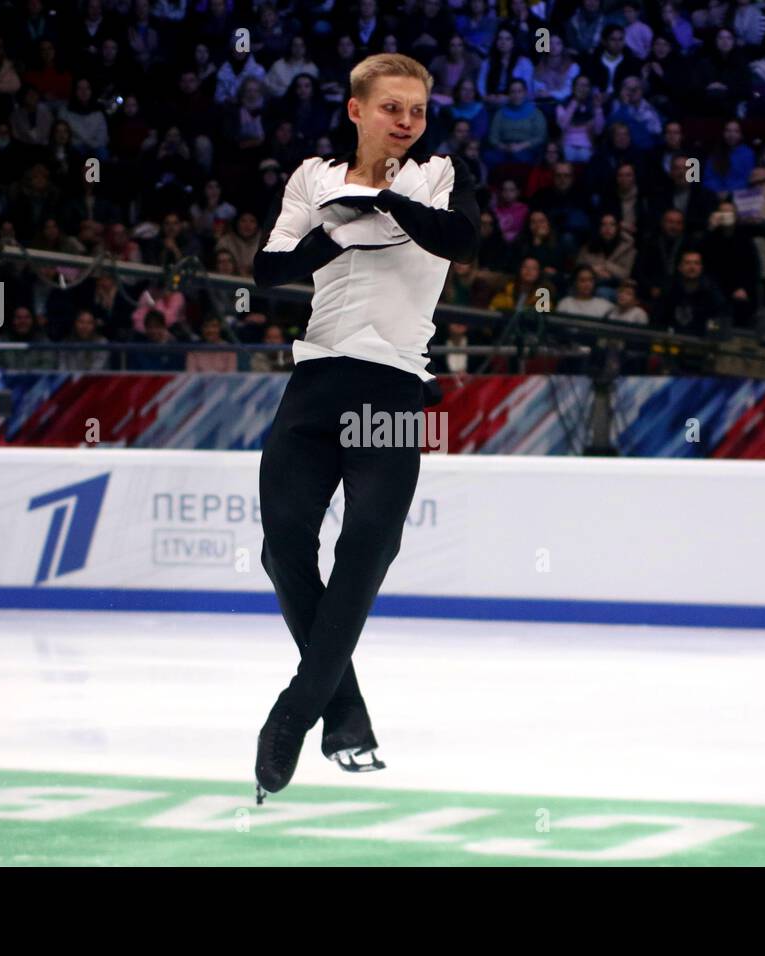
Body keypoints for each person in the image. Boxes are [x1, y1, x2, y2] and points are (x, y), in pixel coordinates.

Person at [250, 53, 480, 802]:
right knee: (282, 548)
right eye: (391, 108)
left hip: (390, 387)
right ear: (357, 110)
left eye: (416, 109)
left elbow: (462, 240)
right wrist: (338, 228)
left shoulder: (437, 174)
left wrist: (384, 205)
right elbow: (268, 271)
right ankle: (342, 709)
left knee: (365, 551)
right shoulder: (313, 179)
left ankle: (294, 713)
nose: (406, 121)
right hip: (316, 381)